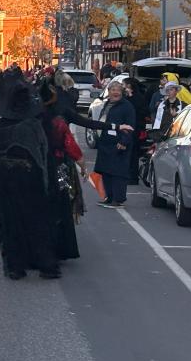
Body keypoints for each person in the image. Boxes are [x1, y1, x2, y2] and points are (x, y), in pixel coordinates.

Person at [0, 68, 60, 279]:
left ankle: (15, 266)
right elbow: (44, 156)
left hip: (6, 180)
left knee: (10, 222)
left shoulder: (0, 126)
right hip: (29, 178)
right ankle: (45, 264)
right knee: (37, 221)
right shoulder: (34, 126)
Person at [40, 78, 86, 262]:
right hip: (59, 167)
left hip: (38, 167)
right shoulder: (58, 122)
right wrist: (82, 165)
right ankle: (61, 245)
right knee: (62, 204)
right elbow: (70, 146)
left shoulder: (32, 119)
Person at [94, 80, 135, 208]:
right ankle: (109, 197)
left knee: (118, 173)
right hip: (106, 143)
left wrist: (124, 141)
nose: (115, 92)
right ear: (109, 91)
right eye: (113, 90)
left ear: (121, 92)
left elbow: (130, 125)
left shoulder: (127, 106)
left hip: (118, 144)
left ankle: (118, 199)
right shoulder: (107, 104)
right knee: (106, 171)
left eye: (118, 90)